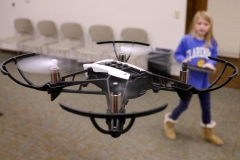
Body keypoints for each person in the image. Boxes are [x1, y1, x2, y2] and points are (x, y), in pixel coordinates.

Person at [164, 11, 223, 146]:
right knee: (183, 105)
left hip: (204, 82)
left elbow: (214, 58)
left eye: (205, 24)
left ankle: (208, 133)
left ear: (210, 26)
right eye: (199, 23)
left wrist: (211, 64)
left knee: (206, 107)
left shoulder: (212, 42)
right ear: (194, 25)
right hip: (189, 81)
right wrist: (184, 59)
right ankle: (169, 123)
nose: (202, 27)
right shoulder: (186, 40)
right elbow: (177, 54)